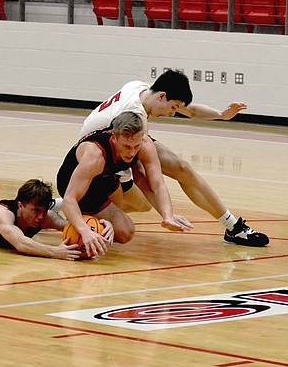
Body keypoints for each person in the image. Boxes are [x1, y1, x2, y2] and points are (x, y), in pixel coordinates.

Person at [68, 70, 270, 248]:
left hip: (117, 141)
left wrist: (221, 115)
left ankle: (232, 226)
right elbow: (149, 178)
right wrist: (167, 215)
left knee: (182, 167)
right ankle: (66, 205)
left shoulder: (142, 88)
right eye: (173, 108)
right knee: (141, 203)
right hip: (95, 156)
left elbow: (189, 110)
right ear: (162, 96)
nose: (173, 114)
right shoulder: (134, 115)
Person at [57, 111, 193, 258]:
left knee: (129, 227)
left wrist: (168, 216)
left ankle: (84, 219)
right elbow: (70, 199)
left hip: (106, 178)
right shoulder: (95, 156)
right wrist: (85, 230)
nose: (132, 152)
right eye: (127, 146)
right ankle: (61, 218)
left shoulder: (145, 145)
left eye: (136, 146)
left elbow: (158, 185)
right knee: (118, 231)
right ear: (114, 138)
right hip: (73, 182)